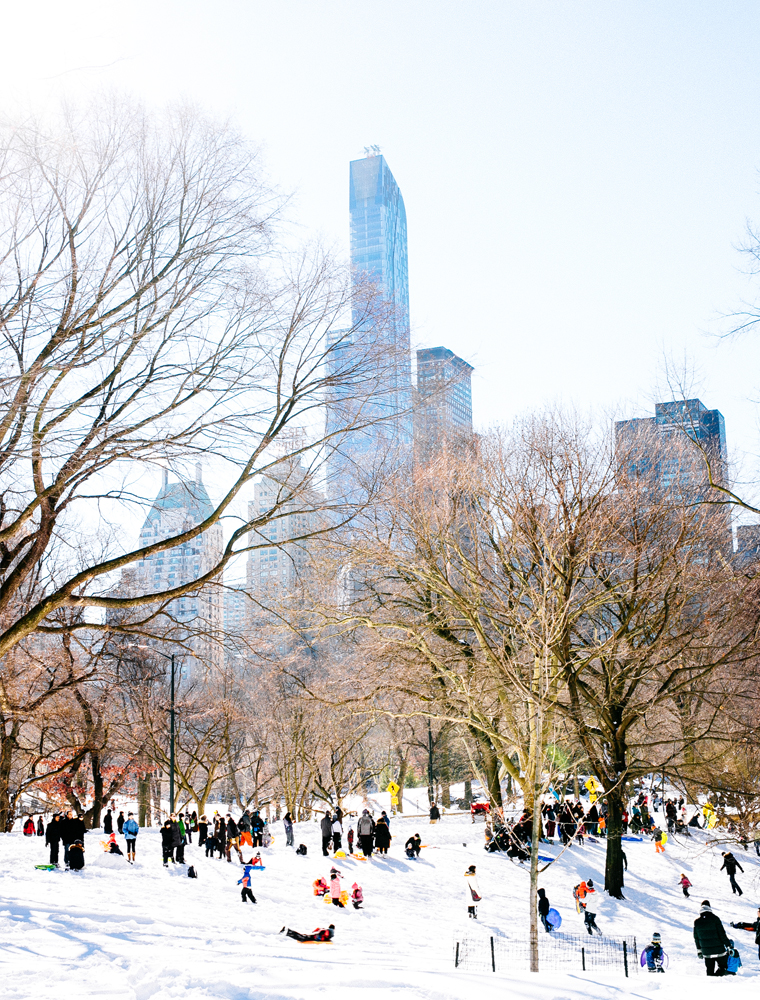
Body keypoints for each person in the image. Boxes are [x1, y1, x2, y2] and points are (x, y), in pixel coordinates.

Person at [693, 899, 731, 976]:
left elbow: (696, 938)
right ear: (709, 907)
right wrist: (728, 945)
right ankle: (717, 979)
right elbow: (722, 934)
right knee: (723, 967)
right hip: (719, 950)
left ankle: (711, 983)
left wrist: (699, 950)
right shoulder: (715, 919)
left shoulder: (697, 922)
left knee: (709, 971)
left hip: (706, 952)